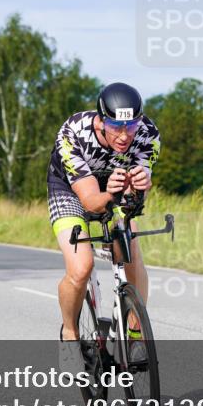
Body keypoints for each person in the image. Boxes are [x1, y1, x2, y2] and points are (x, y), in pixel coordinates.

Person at [47, 82, 161, 352]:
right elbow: (91, 202)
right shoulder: (74, 132)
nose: (124, 136)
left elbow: (136, 196)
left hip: (116, 187)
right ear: (101, 121)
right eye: (115, 127)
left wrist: (140, 186)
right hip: (71, 191)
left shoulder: (148, 134)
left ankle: (134, 332)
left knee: (129, 247)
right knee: (81, 267)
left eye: (131, 126)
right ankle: (69, 332)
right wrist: (108, 194)